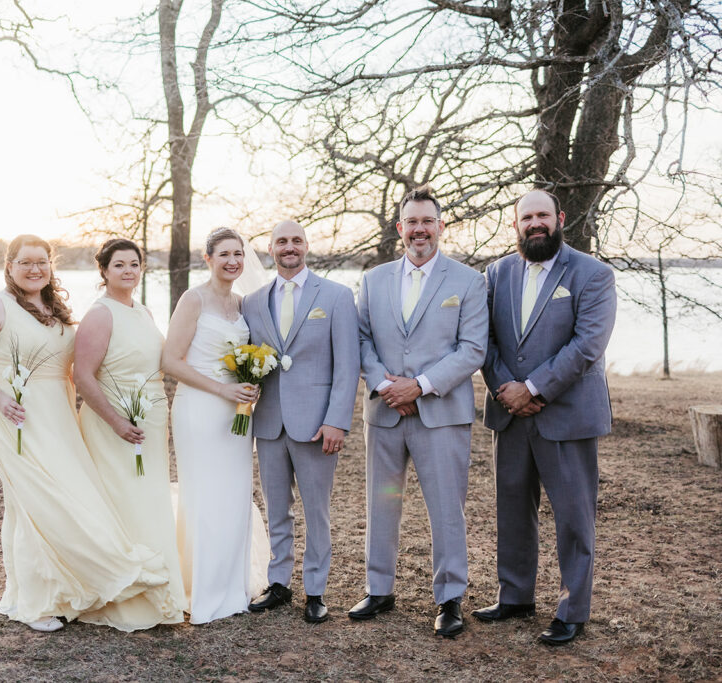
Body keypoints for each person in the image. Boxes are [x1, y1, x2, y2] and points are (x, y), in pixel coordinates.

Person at [0, 234, 182, 633]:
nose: (34, 268)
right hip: (15, 415)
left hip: (57, 415)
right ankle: (35, 602)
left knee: (65, 499)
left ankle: (61, 587)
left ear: (50, 266)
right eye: (25, 262)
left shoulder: (53, 309)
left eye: (42, 261)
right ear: (9, 266)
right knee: (37, 502)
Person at [474, 189, 616, 646]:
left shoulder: (593, 275)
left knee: (574, 517)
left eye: (543, 215)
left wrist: (533, 388)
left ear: (560, 218)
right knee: (512, 508)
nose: (535, 223)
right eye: (526, 217)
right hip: (509, 412)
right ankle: (515, 596)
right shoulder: (495, 274)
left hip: (567, 415)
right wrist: (506, 389)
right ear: (515, 224)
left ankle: (573, 609)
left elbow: (587, 345)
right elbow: (486, 341)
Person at [352, 186, 488, 637]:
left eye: (427, 221)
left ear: (441, 226)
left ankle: (450, 598)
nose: (419, 229)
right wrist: (384, 385)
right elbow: (363, 340)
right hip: (385, 411)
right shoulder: (373, 280)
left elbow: (472, 350)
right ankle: (379, 588)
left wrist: (421, 386)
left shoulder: (468, 282)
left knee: (447, 508)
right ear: (400, 228)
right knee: (380, 503)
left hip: (441, 413)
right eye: (411, 222)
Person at [242, 220, 359, 623]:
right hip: (270, 422)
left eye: (296, 240)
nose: (289, 247)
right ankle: (279, 582)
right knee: (277, 508)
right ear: (271, 249)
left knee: (316, 510)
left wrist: (337, 421)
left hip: (316, 425)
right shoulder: (252, 301)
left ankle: (315, 589)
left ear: (307, 246)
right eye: (281, 241)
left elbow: (348, 366)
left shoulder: (338, 297)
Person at [74, 238, 186, 625]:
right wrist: (118, 422)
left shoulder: (143, 311)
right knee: (125, 498)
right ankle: (125, 592)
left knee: (149, 497)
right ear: (103, 270)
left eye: (134, 264)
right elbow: (82, 376)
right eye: (119, 264)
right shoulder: (100, 314)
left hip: (150, 423)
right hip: (114, 424)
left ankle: (158, 585)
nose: (128, 271)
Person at [162, 227, 269, 624]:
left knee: (235, 495)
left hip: (237, 413)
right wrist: (222, 391)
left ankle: (232, 589)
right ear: (207, 258)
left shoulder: (243, 304)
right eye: (224, 254)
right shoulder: (193, 300)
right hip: (200, 409)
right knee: (205, 496)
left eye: (238, 254)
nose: (233, 261)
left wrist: (249, 384)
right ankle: (204, 593)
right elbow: (171, 361)